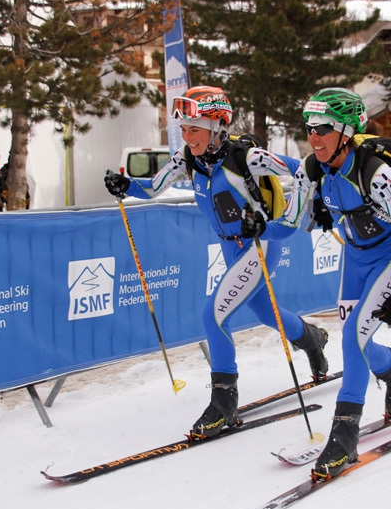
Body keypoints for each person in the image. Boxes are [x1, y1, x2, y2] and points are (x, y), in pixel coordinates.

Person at [102, 86, 330, 439]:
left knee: (214, 316)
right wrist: (126, 184)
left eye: (195, 129)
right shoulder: (187, 160)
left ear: (218, 127)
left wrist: (310, 205)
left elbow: (306, 169)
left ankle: (224, 401)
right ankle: (311, 338)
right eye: (184, 129)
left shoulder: (247, 157)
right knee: (265, 312)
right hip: (231, 248)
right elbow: (153, 187)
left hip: (260, 244)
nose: (187, 136)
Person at [259, 88, 391, 481]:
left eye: (323, 129)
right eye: (309, 128)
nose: (313, 137)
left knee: (353, 338)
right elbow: (291, 225)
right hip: (354, 257)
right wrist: (259, 227)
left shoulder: (377, 173)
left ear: (346, 132)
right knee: (359, 340)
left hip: (390, 258)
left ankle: (344, 434)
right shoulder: (311, 169)